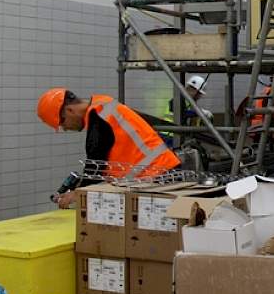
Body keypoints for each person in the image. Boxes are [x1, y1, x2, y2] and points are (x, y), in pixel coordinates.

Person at [37, 88, 181, 207]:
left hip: (156, 178)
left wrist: (76, 194)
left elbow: (95, 165)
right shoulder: (103, 106)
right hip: (160, 173)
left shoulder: (98, 118)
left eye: (62, 124)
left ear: (69, 111)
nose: (66, 129)